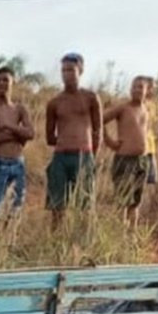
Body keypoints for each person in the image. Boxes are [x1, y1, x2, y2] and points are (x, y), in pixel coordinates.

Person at [44, 53, 101, 225]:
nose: (66, 74)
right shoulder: (54, 102)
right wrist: (65, 140)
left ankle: (83, 244)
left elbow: (98, 131)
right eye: (63, 70)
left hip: (84, 155)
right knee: (57, 205)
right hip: (61, 156)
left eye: (70, 70)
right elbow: (49, 136)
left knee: (85, 205)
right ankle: (55, 243)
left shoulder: (91, 98)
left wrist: (92, 156)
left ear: (81, 70)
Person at [0, 66, 35, 218]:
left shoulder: (20, 109)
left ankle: (9, 241)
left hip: (18, 163)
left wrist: (7, 126)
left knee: (15, 210)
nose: (2, 83)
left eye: (5, 80)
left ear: (13, 82)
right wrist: (18, 135)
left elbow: (31, 133)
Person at [103, 76, 152, 229]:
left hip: (142, 160)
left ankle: (133, 235)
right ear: (130, 89)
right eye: (134, 87)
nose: (137, 90)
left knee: (136, 201)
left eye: (140, 87)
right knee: (123, 201)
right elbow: (99, 120)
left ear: (147, 91)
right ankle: (120, 237)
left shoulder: (146, 109)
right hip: (125, 159)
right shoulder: (123, 108)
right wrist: (110, 142)